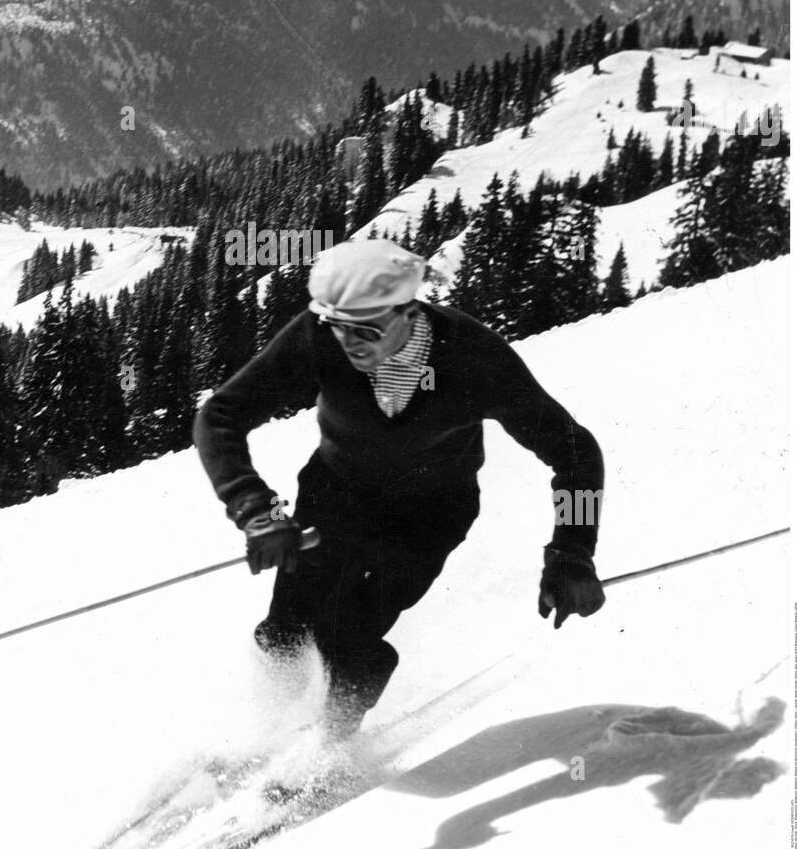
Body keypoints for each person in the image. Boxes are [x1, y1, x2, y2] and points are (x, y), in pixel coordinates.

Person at [193, 238, 606, 739]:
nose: (350, 344)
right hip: (334, 495)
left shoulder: (471, 357)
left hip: (427, 516)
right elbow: (220, 415)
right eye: (338, 327)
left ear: (410, 312)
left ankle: (327, 750)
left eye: (366, 329)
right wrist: (258, 511)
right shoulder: (320, 336)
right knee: (285, 631)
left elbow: (575, 452)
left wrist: (572, 551)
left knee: (349, 635)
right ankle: (265, 739)